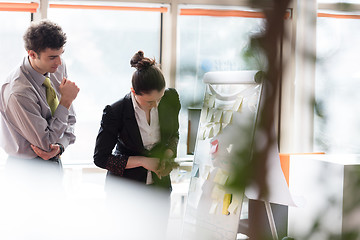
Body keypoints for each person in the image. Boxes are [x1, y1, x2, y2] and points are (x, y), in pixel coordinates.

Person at [93, 50, 181, 192]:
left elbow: (174, 134)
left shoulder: (171, 99)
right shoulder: (116, 111)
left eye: (160, 98)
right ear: (133, 91)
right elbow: (101, 158)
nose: (156, 105)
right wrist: (143, 161)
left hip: (160, 188)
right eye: (150, 101)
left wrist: (167, 155)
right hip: (125, 191)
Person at [0, 20, 79, 168]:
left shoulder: (57, 68)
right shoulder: (19, 92)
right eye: (52, 57)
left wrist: (60, 147)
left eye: (61, 54)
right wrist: (66, 101)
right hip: (26, 169)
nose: (59, 62)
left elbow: (70, 120)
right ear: (32, 54)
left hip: (55, 160)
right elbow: (46, 142)